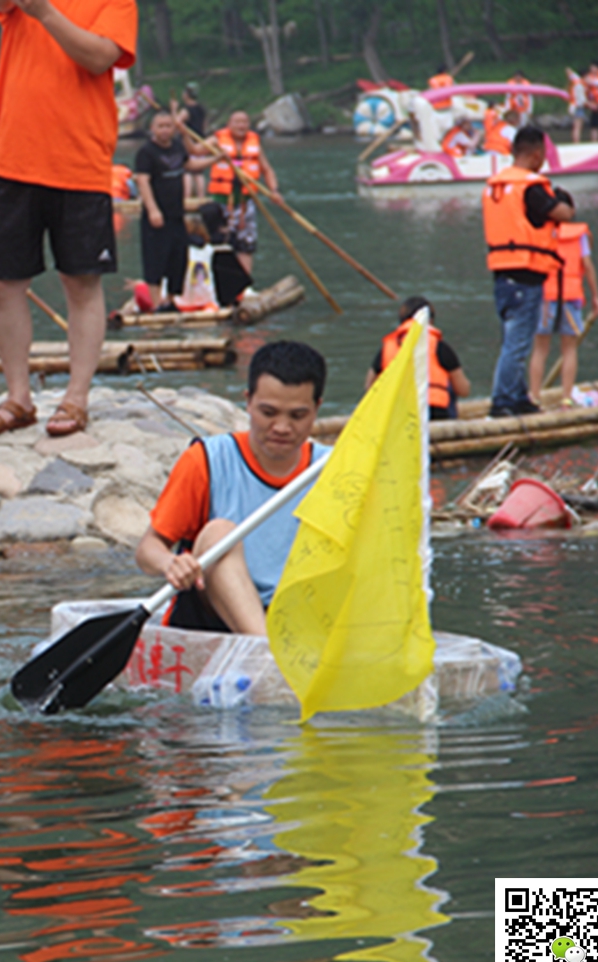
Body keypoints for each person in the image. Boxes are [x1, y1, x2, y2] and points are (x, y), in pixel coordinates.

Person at [0, 0, 138, 441]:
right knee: (4, 283)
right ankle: (18, 397)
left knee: (82, 282)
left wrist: (44, 12)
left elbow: (101, 56)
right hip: (11, 154)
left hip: (79, 158)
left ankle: (76, 397)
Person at [135, 341, 330, 637]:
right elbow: (148, 549)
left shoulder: (332, 469)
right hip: (214, 615)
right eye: (268, 412)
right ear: (248, 401)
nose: (281, 427)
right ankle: (265, 652)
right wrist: (171, 563)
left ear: (317, 408)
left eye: (297, 416)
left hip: (297, 617)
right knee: (219, 533)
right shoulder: (206, 460)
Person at [482, 127, 575, 418]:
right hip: (525, 274)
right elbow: (563, 214)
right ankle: (503, 401)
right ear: (536, 154)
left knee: (514, 338)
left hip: (502, 273)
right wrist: (563, 198)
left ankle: (519, 395)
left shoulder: (496, 186)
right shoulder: (531, 187)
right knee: (517, 342)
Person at [134, 110, 213, 310]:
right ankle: (155, 303)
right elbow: (142, 181)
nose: (165, 130)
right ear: (152, 129)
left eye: (168, 126)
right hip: (157, 214)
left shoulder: (177, 147)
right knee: (155, 259)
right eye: (160, 126)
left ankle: (171, 299)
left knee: (178, 258)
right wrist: (153, 210)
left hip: (177, 213)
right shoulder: (146, 152)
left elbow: (190, 164)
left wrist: (216, 159)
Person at [366, 297, 471, 420]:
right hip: (434, 413)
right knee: (447, 383)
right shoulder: (439, 346)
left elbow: (370, 387)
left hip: (396, 415)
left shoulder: (388, 347)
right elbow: (463, 390)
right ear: (430, 321)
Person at [529, 222, 598, 404]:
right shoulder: (579, 235)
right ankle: (566, 398)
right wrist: (595, 297)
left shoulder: (540, 231)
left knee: (540, 350)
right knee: (569, 349)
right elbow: (587, 265)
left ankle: (534, 396)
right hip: (571, 297)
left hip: (545, 298)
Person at [204, 110, 279, 277]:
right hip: (222, 200)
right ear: (229, 124)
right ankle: (220, 283)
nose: (241, 126)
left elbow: (267, 170)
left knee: (246, 244)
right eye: (237, 122)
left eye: (244, 122)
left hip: (245, 201)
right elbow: (195, 150)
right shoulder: (217, 140)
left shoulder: (254, 144)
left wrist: (273, 191)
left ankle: (244, 284)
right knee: (221, 242)